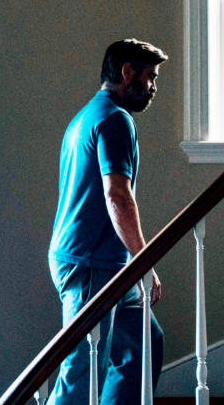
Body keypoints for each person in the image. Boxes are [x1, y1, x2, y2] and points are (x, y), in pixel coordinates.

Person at [47, 39, 167, 405]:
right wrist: (144, 262)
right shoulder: (114, 119)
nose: (153, 88)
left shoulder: (88, 116)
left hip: (109, 266)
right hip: (90, 264)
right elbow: (117, 195)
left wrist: (132, 265)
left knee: (145, 344)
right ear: (126, 73)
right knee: (83, 371)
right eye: (150, 77)